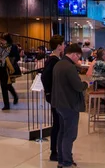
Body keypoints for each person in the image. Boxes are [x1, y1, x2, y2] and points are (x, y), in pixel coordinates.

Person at [52, 43, 88, 168]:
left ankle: (61, 160)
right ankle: (67, 162)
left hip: (59, 103)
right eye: (78, 56)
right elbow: (78, 86)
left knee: (62, 132)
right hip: (69, 104)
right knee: (70, 134)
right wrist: (86, 84)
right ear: (73, 54)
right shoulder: (69, 67)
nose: (78, 59)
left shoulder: (58, 64)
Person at [41, 35, 65, 163]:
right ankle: (54, 151)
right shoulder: (54, 60)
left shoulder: (54, 59)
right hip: (55, 96)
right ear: (58, 46)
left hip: (54, 95)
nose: (64, 46)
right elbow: (45, 77)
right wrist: (49, 93)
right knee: (57, 123)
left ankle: (57, 150)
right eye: (63, 44)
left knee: (58, 123)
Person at [0, 33, 20, 110]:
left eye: (3, 40)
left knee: (8, 85)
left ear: (7, 40)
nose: (1, 41)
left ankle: (15, 96)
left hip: (9, 69)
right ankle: (6, 105)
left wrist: (8, 60)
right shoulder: (0, 47)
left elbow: (17, 57)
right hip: (2, 68)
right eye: (1, 40)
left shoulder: (13, 47)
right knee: (3, 87)